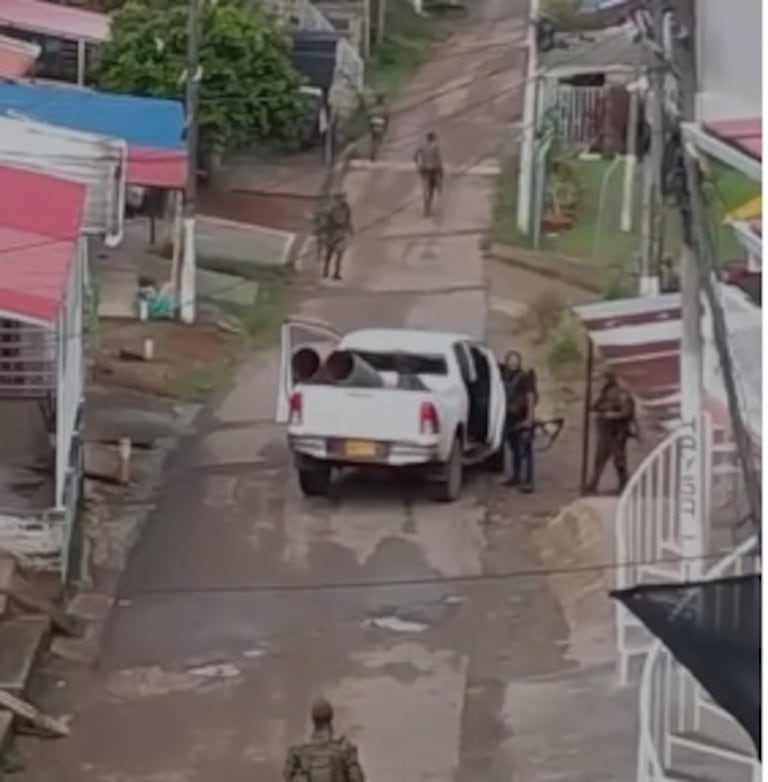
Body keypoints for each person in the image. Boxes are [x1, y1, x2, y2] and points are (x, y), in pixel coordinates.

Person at [283, 698, 365, 782]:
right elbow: (357, 779)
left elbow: (287, 776)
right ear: (331, 717)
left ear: (313, 719)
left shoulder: (297, 753)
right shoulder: (344, 750)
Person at [586, 372, 636, 494]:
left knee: (618, 459)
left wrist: (612, 415)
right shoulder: (604, 394)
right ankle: (593, 483)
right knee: (600, 458)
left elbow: (627, 412)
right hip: (605, 431)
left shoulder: (621, 394)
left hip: (617, 431)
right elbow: (595, 407)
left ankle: (624, 483)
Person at [501, 350, 537, 493]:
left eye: (515, 360)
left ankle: (529, 481)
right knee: (514, 448)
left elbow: (530, 397)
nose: (513, 362)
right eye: (511, 360)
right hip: (510, 418)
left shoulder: (525, 376)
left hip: (523, 417)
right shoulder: (505, 377)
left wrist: (530, 418)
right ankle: (516, 476)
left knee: (526, 450)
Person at [321, 191, 353, 280]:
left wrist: (350, 230)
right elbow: (327, 221)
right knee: (329, 254)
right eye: (339, 198)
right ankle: (325, 271)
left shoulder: (346, 208)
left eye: (342, 197)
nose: (341, 199)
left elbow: (348, 219)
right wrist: (325, 232)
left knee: (340, 254)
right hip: (332, 232)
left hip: (342, 232)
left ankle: (336, 273)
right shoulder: (331, 209)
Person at [413, 131, 444, 216]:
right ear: (433, 139)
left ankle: (426, 209)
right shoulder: (436, 147)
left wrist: (418, 164)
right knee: (436, 188)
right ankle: (436, 206)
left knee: (426, 189)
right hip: (434, 170)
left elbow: (414, 155)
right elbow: (438, 159)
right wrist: (441, 170)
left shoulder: (422, 146)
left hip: (424, 169)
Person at [367, 94, 388, 161]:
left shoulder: (373, 107)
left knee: (373, 139)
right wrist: (386, 126)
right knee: (378, 139)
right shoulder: (384, 108)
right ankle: (374, 153)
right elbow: (386, 117)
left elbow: (369, 116)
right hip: (380, 122)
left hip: (373, 123)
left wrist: (370, 124)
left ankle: (372, 153)